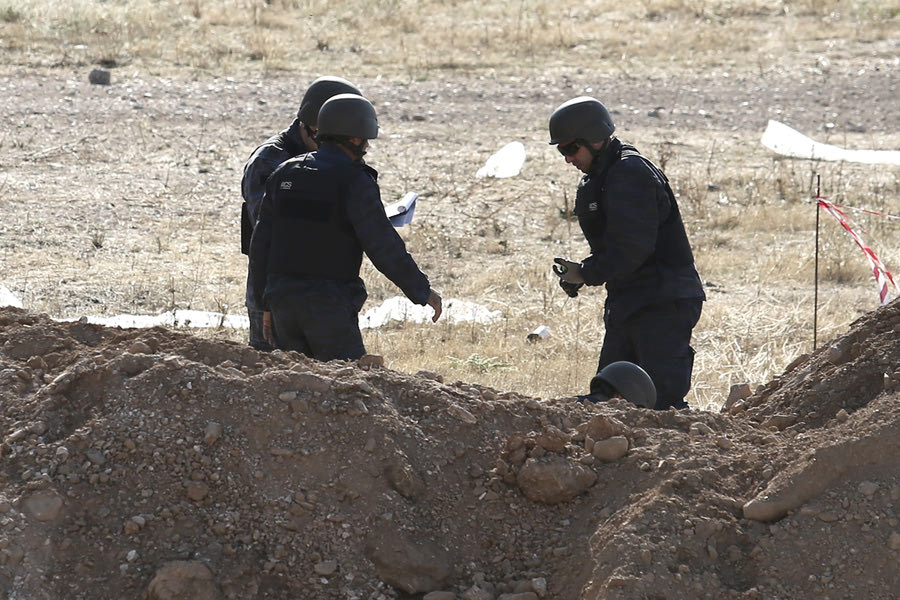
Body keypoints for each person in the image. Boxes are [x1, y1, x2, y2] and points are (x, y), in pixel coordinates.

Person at [248, 93, 442, 361]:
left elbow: (261, 245)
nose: (367, 147)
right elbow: (382, 244)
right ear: (354, 138)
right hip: (327, 306)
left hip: (282, 302)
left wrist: (264, 305)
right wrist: (421, 290)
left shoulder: (284, 172)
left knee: (297, 387)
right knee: (345, 389)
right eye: (366, 140)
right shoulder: (354, 181)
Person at [548, 96, 705, 410]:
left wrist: (587, 272)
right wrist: (583, 272)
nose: (567, 159)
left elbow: (632, 249)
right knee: (608, 399)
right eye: (561, 151)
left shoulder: (629, 173)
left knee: (660, 404)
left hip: (662, 302)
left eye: (570, 149)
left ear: (593, 139)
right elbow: (617, 249)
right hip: (630, 302)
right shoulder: (601, 178)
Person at [240, 75, 362, 351]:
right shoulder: (269, 160)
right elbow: (269, 231)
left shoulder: (334, 158)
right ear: (311, 125)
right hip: (275, 295)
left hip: (328, 294)